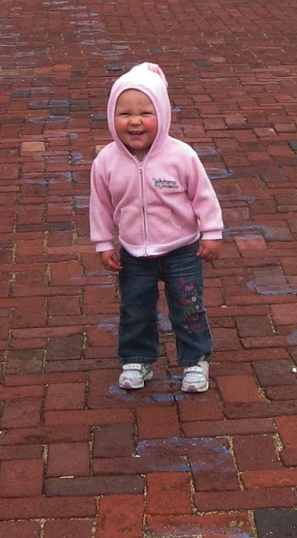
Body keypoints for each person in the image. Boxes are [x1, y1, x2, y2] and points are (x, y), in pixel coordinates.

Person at [89, 62, 224, 393]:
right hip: (134, 253)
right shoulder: (106, 161)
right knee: (134, 307)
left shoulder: (181, 156)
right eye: (124, 113)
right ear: (111, 117)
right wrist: (104, 242)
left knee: (188, 305)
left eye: (145, 112)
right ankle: (137, 358)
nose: (134, 121)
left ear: (162, 114)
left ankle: (195, 361)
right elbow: (101, 205)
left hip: (182, 249)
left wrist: (212, 232)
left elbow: (203, 195)